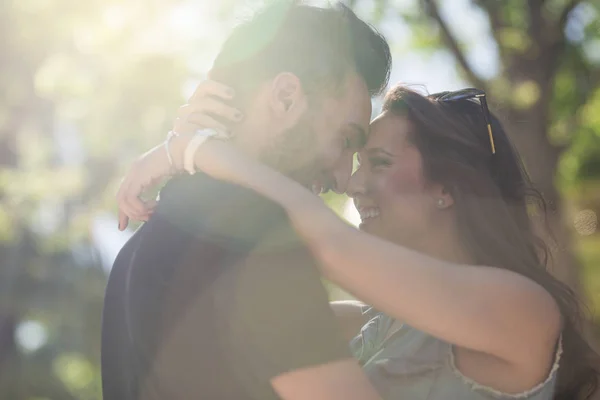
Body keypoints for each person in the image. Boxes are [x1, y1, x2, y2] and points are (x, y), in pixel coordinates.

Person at [118, 84, 600, 400]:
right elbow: (245, 291)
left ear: (449, 188)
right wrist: (229, 142)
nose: (351, 185)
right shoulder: (373, 323)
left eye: (380, 163)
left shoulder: (523, 310)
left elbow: (328, 245)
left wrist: (191, 150)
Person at [101, 1, 392, 400]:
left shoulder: (136, 248)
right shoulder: (250, 230)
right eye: (345, 140)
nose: (344, 178)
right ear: (287, 97)